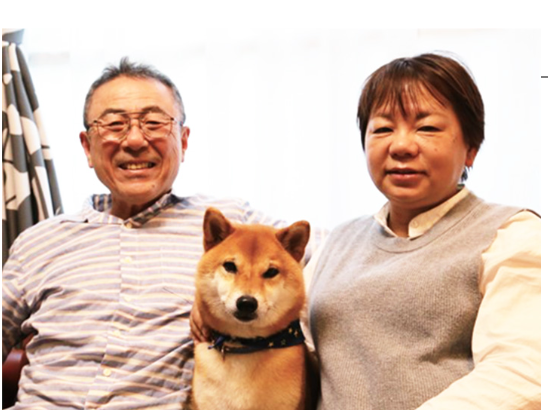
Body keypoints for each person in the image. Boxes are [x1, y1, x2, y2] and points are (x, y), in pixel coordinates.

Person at [2, 57, 325, 409]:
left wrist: (216, 301)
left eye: (154, 123)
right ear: (87, 146)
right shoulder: (38, 242)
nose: (135, 140)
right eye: (114, 124)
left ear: (183, 142)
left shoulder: (232, 225)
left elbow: (336, 256)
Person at [306, 53, 540, 409]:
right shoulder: (337, 242)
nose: (401, 146)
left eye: (427, 128)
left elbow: (522, 372)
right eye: (383, 129)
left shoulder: (512, 234)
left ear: (471, 148)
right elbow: (286, 350)